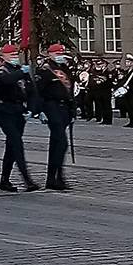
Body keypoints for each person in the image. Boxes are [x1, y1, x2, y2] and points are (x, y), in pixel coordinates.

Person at [0, 45, 39, 193]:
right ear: (3, 57)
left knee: (11, 147)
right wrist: (21, 72)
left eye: (15, 54)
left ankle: (5, 180)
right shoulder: (1, 71)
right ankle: (27, 179)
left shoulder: (20, 71)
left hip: (19, 112)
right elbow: (6, 81)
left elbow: (31, 90)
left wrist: (31, 109)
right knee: (17, 143)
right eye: (10, 55)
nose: (14, 57)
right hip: (5, 112)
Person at [38, 45, 75, 191]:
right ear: (50, 54)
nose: (61, 55)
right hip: (51, 107)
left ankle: (54, 178)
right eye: (57, 53)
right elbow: (38, 91)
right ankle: (56, 177)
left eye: (62, 53)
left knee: (56, 144)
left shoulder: (64, 69)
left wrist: (72, 111)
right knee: (61, 142)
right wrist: (40, 111)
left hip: (64, 108)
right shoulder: (45, 70)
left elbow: (69, 91)